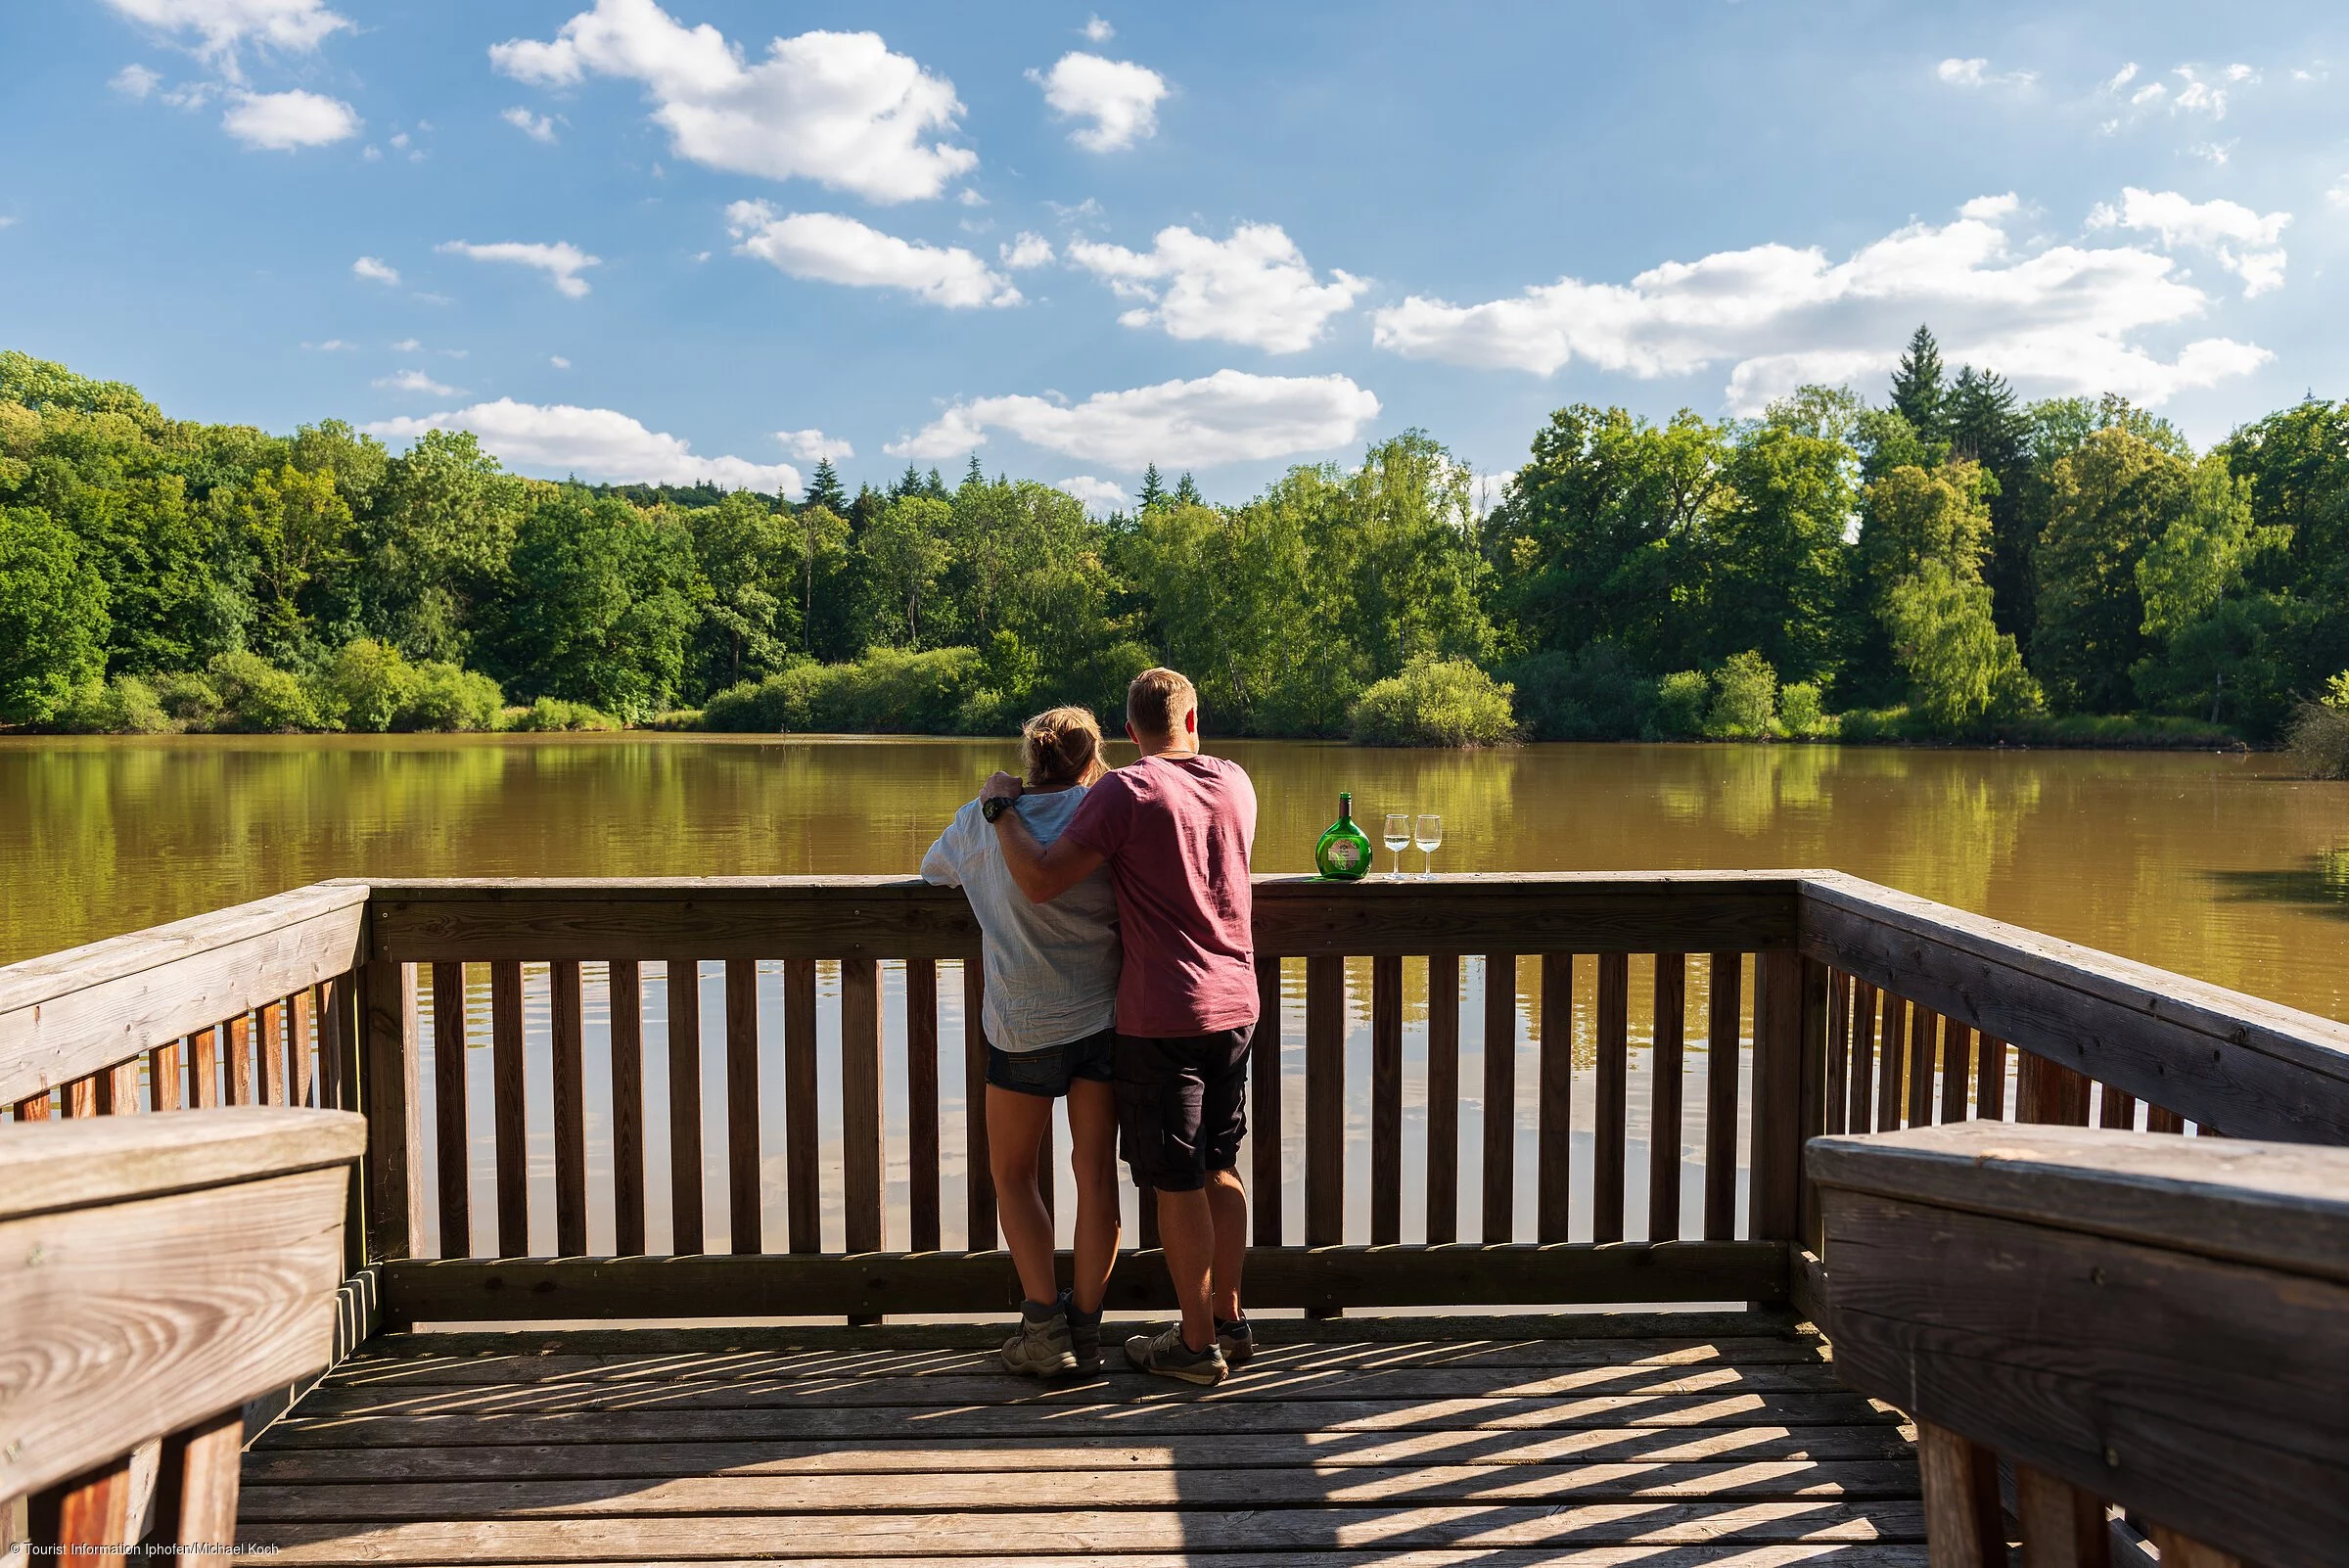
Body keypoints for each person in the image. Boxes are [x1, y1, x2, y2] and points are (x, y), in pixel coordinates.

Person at [982, 668, 1259, 1386]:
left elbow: (1041, 880)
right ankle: (1229, 1321)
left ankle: (1197, 1350)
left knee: (1176, 1182)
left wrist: (1001, 810)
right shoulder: (1235, 781)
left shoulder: (1127, 790)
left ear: (1131, 733)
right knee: (1220, 1164)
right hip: (1238, 1003)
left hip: (1162, 1013)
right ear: (1194, 719)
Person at [922, 708, 1124, 1376]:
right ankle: (1088, 1327)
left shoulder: (980, 821)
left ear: (1028, 759)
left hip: (1023, 1028)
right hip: (1104, 1021)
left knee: (1012, 1174)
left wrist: (993, 809)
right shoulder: (1107, 817)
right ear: (1094, 759)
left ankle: (1044, 1327)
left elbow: (932, 872)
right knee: (1095, 1175)